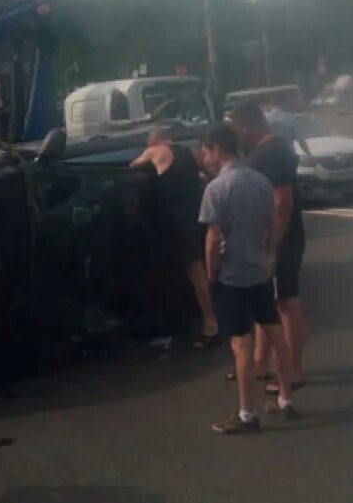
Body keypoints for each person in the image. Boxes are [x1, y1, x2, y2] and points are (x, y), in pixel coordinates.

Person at [199, 123, 298, 434]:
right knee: (273, 331)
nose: (205, 158)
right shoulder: (261, 181)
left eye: (206, 151)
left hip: (232, 276)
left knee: (241, 344)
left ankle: (246, 414)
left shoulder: (216, 188)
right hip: (259, 271)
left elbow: (213, 240)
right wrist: (268, 256)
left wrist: (212, 273)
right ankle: (285, 399)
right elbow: (274, 222)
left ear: (216, 149)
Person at [229, 101, 308, 396]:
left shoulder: (273, 152)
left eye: (237, 129)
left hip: (280, 241)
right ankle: (260, 364)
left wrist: (274, 243)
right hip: (267, 241)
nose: (238, 135)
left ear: (247, 126)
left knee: (286, 304)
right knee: (267, 302)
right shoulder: (263, 150)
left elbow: (282, 202)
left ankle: (294, 371)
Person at [130, 124, 220, 347]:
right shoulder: (191, 154)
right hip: (197, 219)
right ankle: (214, 317)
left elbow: (132, 170)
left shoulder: (155, 151)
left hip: (176, 225)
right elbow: (211, 175)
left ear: (154, 140)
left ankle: (211, 324)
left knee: (194, 274)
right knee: (204, 270)